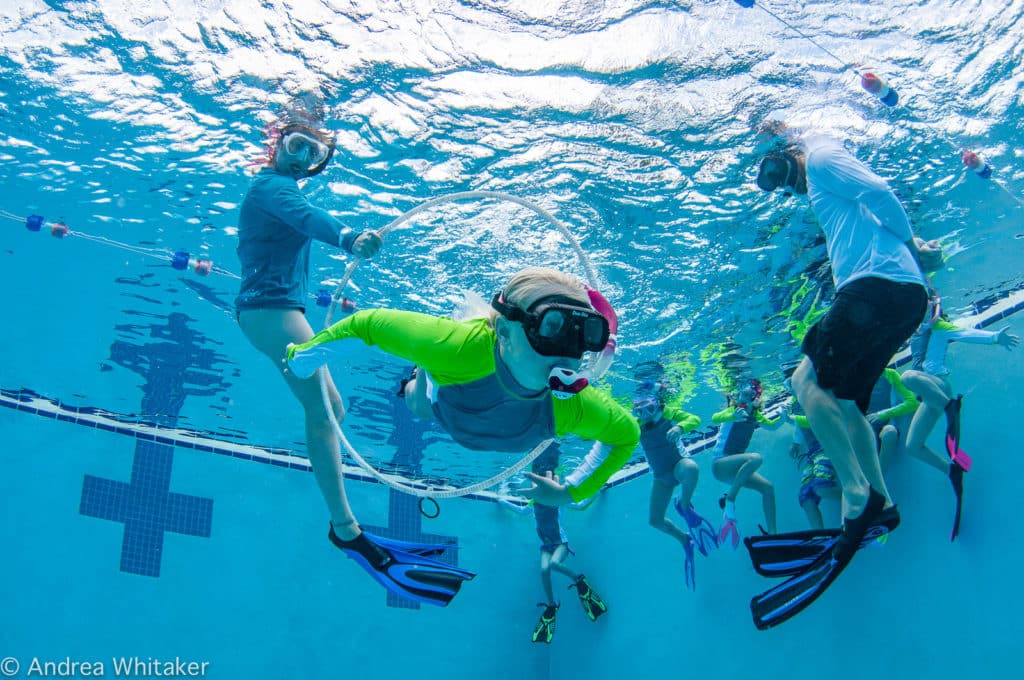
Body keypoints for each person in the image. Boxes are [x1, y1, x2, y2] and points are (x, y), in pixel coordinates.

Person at [286, 267, 640, 604]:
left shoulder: (575, 406)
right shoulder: (457, 348)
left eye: (584, 335)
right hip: (443, 399)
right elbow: (368, 323)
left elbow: (626, 437)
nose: (568, 353)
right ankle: (422, 372)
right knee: (417, 404)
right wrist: (303, 357)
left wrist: (570, 492)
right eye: (552, 328)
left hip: (476, 413)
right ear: (504, 331)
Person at [237, 121, 461, 596]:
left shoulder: (276, 187)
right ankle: (344, 529)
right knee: (324, 409)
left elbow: (298, 215)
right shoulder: (269, 185)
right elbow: (303, 215)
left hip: (273, 312)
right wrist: (348, 237)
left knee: (330, 410)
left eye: (313, 154)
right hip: (270, 311)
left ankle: (344, 527)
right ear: (277, 143)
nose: (303, 159)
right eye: (297, 145)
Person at [748, 131, 943, 629]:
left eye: (775, 172)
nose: (782, 186)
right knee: (849, 402)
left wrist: (913, 249)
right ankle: (881, 501)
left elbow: (878, 191)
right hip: (895, 296)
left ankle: (856, 490)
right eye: (773, 185)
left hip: (876, 289)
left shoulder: (820, 155)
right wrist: (913, 260)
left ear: (787, 149)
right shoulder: (818, 183)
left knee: (805, 383)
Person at [900, 291, 1019, 540]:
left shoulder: (940, 327)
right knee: (912, 446)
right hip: (930, 396)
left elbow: (966, 333)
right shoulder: (915, 332)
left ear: (932, 306)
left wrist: (995, 337)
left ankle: (950, 408)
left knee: (907, 377)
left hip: (940, 386)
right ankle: (951, 471)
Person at [631, 380, 712, 591]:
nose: (645, 414)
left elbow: (694, 418)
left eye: (649, 408)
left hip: (678, 465)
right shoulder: (636, 424)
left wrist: (679, 427)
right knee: (655, 521)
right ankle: (684, 539)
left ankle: (684, 504)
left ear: (657, 404)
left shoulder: (668, 413)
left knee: (692, 468)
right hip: (661, 477)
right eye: (639, 410)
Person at [525, 445, 608, 644]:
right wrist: (501, 500)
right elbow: (519, 510)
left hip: (560, 543)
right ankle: (552, 605)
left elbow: (580, 505)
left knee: (554, 564)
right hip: (546, 546)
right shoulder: (533, 502)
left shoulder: (558, 499)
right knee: (544, 570)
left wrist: (598, 490)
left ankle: (580, 580)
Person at [709, 378, 782, 543]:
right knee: (756, 458)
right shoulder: (733, 410)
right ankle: (730, 498)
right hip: (721, 464)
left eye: (751, 394)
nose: (747, 397)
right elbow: (715, 418)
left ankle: (773, 534)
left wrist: (784, 417)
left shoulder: (755, 415)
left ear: (756, 398)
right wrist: (733, 416)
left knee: (768, 488)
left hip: (736, 470)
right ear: (738, 395)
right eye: (744, 393)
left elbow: (771, 426)